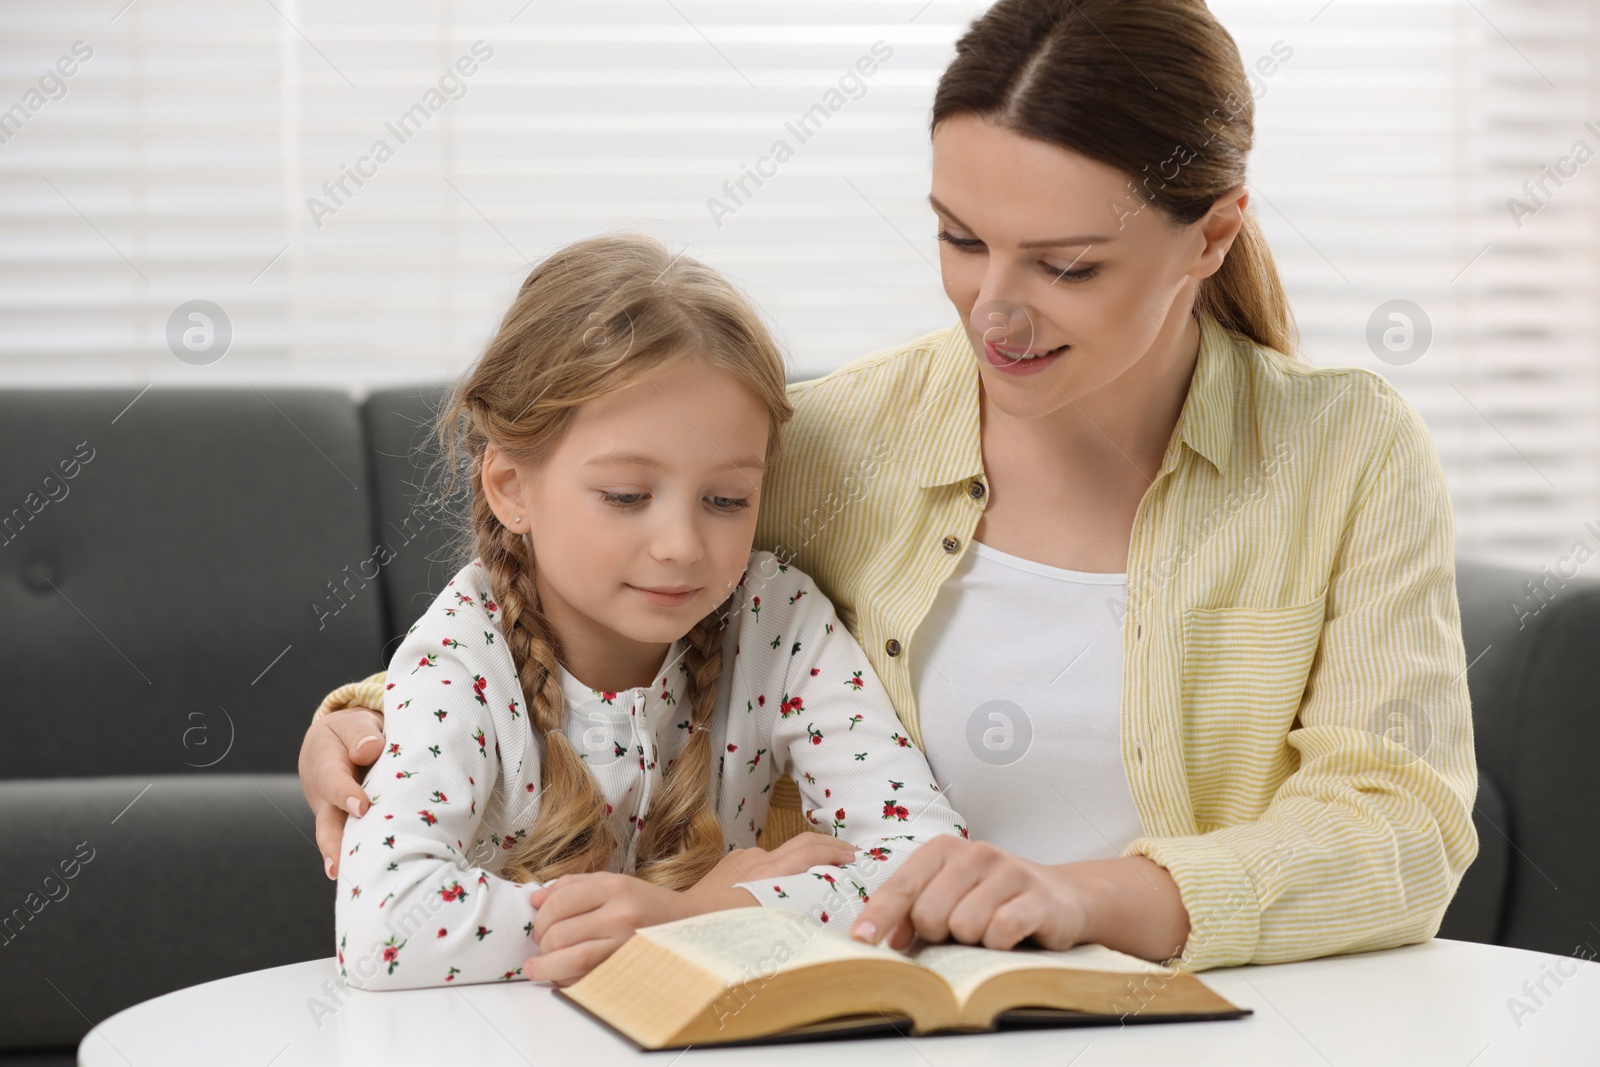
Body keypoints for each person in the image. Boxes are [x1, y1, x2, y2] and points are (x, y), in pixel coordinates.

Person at [302, 0, 1478, 975]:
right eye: (961, 239)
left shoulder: (1346, 455)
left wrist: (1089, 894)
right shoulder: (828, 443)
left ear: (1210, 238)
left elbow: (1402, 826)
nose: (996, 312)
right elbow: (600, 604)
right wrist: (364, 717)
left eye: (1066, 265)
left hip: (1223, 1025)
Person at [331, 232, 966, 991]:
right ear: (511, 487)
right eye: (627, 496)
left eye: (727, 500)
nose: (681, 545)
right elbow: (384, 929)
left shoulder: (777, 619)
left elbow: (926, 865)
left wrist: (679, 919)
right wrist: (696, 908)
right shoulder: (463, 649)